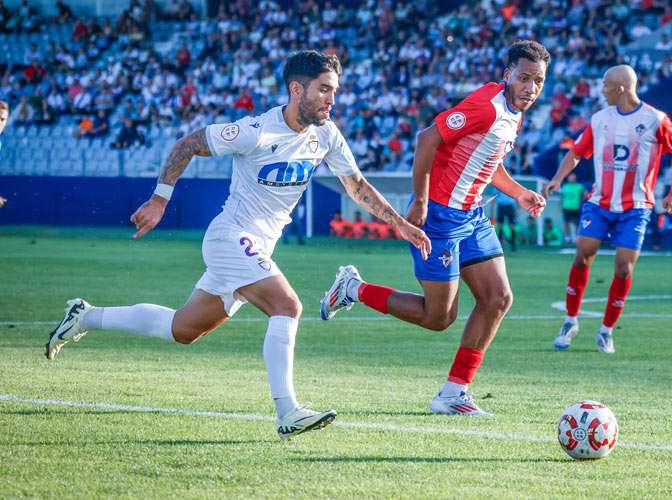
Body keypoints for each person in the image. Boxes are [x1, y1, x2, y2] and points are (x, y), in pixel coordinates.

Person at [44, 50, 431, 440]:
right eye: (324, 90)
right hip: (230, 237)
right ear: (297, 89)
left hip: (257, 248)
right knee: (288, 305)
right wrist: (160, 198)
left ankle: (86, 316)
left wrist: (398, 223)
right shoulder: (256, 131)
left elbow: (358, 187)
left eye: (335, 91)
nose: (332, 99)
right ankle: (287, 411)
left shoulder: (326, 135)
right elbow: (187, 144)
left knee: (183, 329)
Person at [320, 40, 550, 416]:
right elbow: (427, 138)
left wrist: (520, 192)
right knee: (438, 316)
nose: (531, 87)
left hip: (472, 215)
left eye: (538, 81)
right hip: (440, 217)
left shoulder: (513, 111)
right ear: (507, 74)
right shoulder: (485, 107)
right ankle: (354, 288)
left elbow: (487, 162)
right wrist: (421, 200)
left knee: (498, 299)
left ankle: (454, 392)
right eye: (524, 78)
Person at [544, 65, 672, 354]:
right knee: (583, 254)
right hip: (600, 203)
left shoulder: (655, 119)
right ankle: (571, 320)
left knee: (624, 268)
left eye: (606, 85)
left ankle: (606, 331)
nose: (602, 90)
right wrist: (557, 178)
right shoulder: (600, 119)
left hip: (636, 206)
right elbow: (576, 152)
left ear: (621, 88)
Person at [560, 173, 585, 244]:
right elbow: (562, 197)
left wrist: (580, 202)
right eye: (570, 177)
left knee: (576, 223)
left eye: (573, 177)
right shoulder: (565, 186)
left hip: (575, 207)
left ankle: (576, 237)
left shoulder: (579, 186)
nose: (572, 179)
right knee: (566, 223)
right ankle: (567, 237)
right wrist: (561, 206)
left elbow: (583, 195)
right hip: (566, 207)